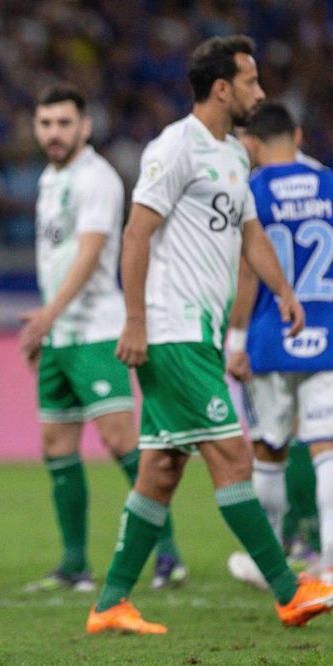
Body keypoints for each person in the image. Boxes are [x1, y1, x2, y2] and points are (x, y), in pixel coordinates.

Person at [85, 35, 333, 635]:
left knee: (163, 469)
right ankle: (287, 589)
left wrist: (283, 292)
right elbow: (136, 235)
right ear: (222, 88)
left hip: (200, 335)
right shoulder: (175, 148)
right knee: (231, 455)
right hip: (170, 331)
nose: (261, 92)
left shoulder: (229, 153)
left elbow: (251, 234)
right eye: (251, 81)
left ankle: (111, 601)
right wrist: (137, 322)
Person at [20, 84, 186, 593]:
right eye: (46, 123)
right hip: (60, 336)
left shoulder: (98, 178)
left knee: (120, 441)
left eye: (64, 123)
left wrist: (46, 315)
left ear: (84, 126)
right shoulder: (51, 179)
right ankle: (74, 563)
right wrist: (50, 322)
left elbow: (91, 253)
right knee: (57, 445)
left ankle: (168, 554)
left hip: (94, 332)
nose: (54, 132)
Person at [224, 102, 333, 584]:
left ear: (251, 144)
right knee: (326, 447)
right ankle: (329, 559)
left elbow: (248, 268)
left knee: (269, 446)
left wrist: (237, 336)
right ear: (298, 134)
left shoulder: (252, 191)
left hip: (271, 335)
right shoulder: (330, 184)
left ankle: (265, 562)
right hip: (326, 331)